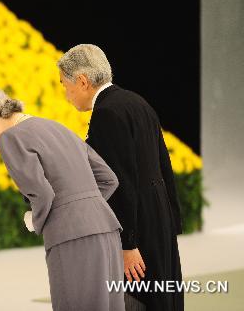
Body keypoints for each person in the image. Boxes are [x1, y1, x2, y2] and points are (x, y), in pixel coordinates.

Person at [0, 85, 125, 311]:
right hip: (107, 230)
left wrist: (34, 219)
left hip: (71, 238)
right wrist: (83, 210)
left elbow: (42, 194)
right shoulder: (56, 127)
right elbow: (109, 179)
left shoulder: (10, 138)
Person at [57, 44, 184, 311]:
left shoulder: (106, 113)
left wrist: (128, 244)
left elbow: (118, 182)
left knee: (138, 298)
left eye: (65, 86)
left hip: (136, 227)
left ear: (82, 81)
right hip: (157, 218)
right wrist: (171, 222)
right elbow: (163, 164)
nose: (66, 96)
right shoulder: (136, 102)